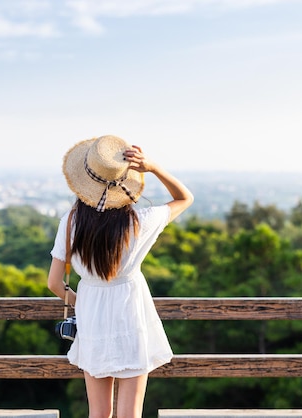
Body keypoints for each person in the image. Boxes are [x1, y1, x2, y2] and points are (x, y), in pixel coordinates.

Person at [47, 135, 194, 418]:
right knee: (130, 415)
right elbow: (185, 198)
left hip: (92, 316)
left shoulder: (70, 222)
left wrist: (84, 303)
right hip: (131, 313)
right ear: (125, 182)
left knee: (99, 414)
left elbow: (54, 283)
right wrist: (152, 167)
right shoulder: (140, 222)